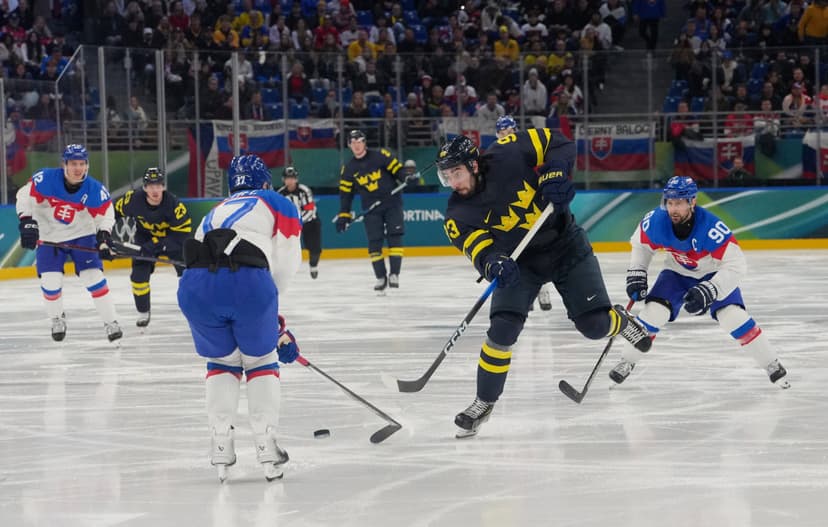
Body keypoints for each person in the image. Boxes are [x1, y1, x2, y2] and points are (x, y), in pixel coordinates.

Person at [435, 134, 652, 439]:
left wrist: (555, 171)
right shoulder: (457, 214)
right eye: (446, 176)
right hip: (521, 263)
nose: (453, 182)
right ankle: (483, 402)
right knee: (502, 329)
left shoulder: (509, 152)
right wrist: (493, 263)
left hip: (566, 246)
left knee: (594, 326)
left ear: (474, 165)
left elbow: (559, 143)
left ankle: (621, 322)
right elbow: (479, 249)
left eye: (456, 172)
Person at [176, 154, 303, 482]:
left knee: (222, 362)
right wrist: (272, 323)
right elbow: (286, 264)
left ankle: (221, 444)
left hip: (195, 288)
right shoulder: (278, 202)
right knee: (260, 361)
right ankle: (266, 446)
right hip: (248, 285)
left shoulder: (214, 211)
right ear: (265, 182)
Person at [608, 176, 790, 389]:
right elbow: (641, 245)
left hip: (712, 274)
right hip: (676, 273)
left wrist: (712, 288)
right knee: (654, 313)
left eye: (679, 203)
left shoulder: (711, 227)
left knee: (732, 317)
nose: (673, 209)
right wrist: (637, 272)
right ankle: (627, 361)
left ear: (692, 202)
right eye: (670, 202)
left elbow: (736, 264)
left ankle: (771, 363)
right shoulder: (656, 220)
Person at [15, 144, 123, 343]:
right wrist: (27, 220)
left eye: (82, 163)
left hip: (82, 235)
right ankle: (57, 318)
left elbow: (106, 214)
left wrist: (104, 238)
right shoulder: (45, 178)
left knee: (94, 278)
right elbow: (24, 195)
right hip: (49, 237)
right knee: (50, 282)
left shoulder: (95, 189)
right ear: (64, 164)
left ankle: (111, 322)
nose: (78, 168)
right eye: (73, 163)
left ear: (87, 165)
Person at [336, 129, 418, 292]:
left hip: (392, 203)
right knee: (374, 242)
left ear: (364, 143)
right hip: (371, 209)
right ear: (349, 145)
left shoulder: (380, 156)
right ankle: (381, 277)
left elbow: (398, 170)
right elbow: (346, 195)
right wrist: (344, 215)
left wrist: (406, 177)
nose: (357, 145)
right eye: (353, 143)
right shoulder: (349, 169)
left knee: (395, 237)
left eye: (359, 142)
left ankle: (394, 274)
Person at [114, 167, 193, 327]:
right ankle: (143, 311)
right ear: (144, 187)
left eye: (158, 185)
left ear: (163, 186)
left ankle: (195, 309)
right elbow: (113, 212)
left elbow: (182, 236)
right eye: (151, 186)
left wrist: (157, 244)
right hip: (144, 238)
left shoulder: (174, 206)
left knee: (189, 274)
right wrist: (106, 235)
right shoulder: (132, 200)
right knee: (138, 276)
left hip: (172, 239)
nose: (155, 190)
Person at [495, 115, 555, 312]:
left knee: (538, 249)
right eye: (503, 133)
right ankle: (526, 295)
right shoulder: (494, 156)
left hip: (532, 206)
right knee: (517, 253)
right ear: (497, 135)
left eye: (510, 132)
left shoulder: (527, 149)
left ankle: (543, 289)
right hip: (511, 211)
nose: (506, 135)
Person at [277, 165, 322, 279]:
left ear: (296, 179)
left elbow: (310, 210)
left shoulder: (304, 190)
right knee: (286, 247)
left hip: (310, 222)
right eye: (287, 178)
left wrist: (298, 222)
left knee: (315, 248)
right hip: (291, 224)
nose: (290, 181)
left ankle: (313, 265)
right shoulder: (280, 194)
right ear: (283, 180)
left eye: (292, 178)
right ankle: (287, 269)